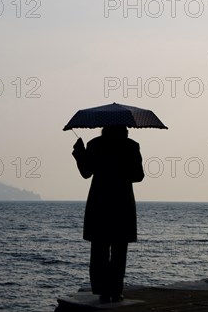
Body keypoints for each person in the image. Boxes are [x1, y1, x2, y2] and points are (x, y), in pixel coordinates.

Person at [71, 125, 144, 303]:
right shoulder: (131, 146)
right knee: (120, 251)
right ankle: (116, 291)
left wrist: (79, 152)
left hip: (100, 204)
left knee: (99, 251)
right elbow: (139, 175)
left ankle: (103, 291)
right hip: (122, 205)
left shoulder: (95, 145)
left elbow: (86, 172)